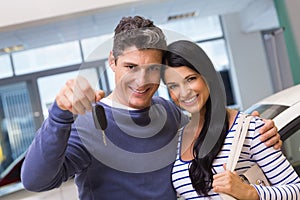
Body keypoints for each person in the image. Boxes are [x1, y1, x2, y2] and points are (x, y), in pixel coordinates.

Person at [21, 16, 281, 200]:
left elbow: (209, 132)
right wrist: (59, 116)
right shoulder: (88, 122)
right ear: (112, 61)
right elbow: (36, 181)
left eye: (152, 69)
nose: (142, 81)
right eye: (131, 67)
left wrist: (257, 129)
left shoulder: (168, 112)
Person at [161, 40, 300, 199]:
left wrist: (249, 192)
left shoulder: (250, 129)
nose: (184, 92)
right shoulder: (177, 140)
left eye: (190, 79)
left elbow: (296, 191)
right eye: (173, 86)